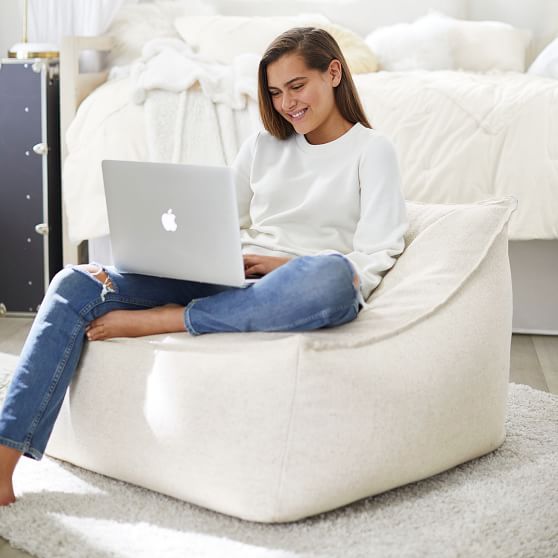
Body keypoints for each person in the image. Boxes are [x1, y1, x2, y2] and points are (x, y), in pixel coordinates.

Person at [0, 27, 408, 506]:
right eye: (275, 93)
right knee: (73, 282)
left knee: (334, 278)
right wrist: (183, 254)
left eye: (297, 87)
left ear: (333, 73)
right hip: (230, 275)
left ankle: (173, 317)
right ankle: (3, 467)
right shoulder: (264, 145)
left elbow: (374, 256)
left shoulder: (371, 150)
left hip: (301, 282)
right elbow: (213, 219)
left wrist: (283, 264)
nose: (287, 104)